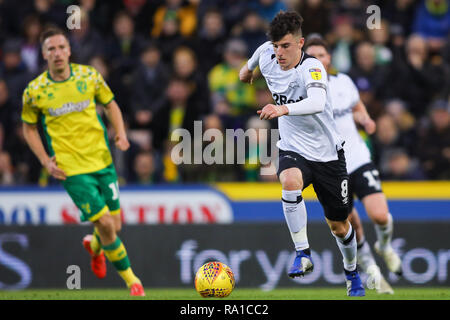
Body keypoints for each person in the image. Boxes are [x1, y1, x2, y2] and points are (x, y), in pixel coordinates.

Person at [239, 11, 365, 297]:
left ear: (300, 43)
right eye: (275, 46)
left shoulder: (313, 67)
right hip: (293, 147)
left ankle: (351, 273)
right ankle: (303, 253)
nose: (278, 53)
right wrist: (246, 74)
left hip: (328, 155)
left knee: (339, 225)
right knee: (289, 181)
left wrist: (282, 108)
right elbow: (245, 71)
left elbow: (318, 101)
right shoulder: (266, 53)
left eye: (285, 46)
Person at [21, 27, 145, 296]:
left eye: (61, 47)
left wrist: (121, 134)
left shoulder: (89, 76)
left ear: (69, 50)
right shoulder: (35, 91)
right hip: (71, 169)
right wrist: (44, 160)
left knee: (115, 225)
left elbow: (110, 104)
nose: (57, 53)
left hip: (102, 160)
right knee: (107, 225)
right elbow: (29, 128)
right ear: (43, 54)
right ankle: (133, 282)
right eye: (51, 49)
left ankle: (95, 247)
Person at [304, 37, 403, 294]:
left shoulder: (344, 82)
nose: (318, 60)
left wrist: (366, 120)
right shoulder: (301, 90)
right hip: (332, 165)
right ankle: (372, 269)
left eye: (322, 55)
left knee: (380, 215)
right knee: (350, 222)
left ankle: (385, 245)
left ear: (329, 59)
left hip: (357, 157)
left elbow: (357, 108)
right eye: (311, 56)